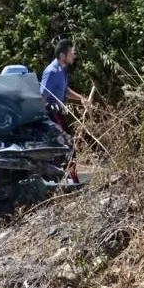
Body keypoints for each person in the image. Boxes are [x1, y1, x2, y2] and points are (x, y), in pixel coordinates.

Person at [40, 39, 92, 184]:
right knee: (68, 146)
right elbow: (43, 96)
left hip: (60, 114)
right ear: (63, 55)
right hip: (53, 114)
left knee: (67, 147)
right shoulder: (51, 71)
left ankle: (69, 179)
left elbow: (65, 90)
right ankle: (71, 181)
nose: (74, 55)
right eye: (71, 52)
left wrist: (81, 98)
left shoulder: (62, 70)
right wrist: (43, 119)